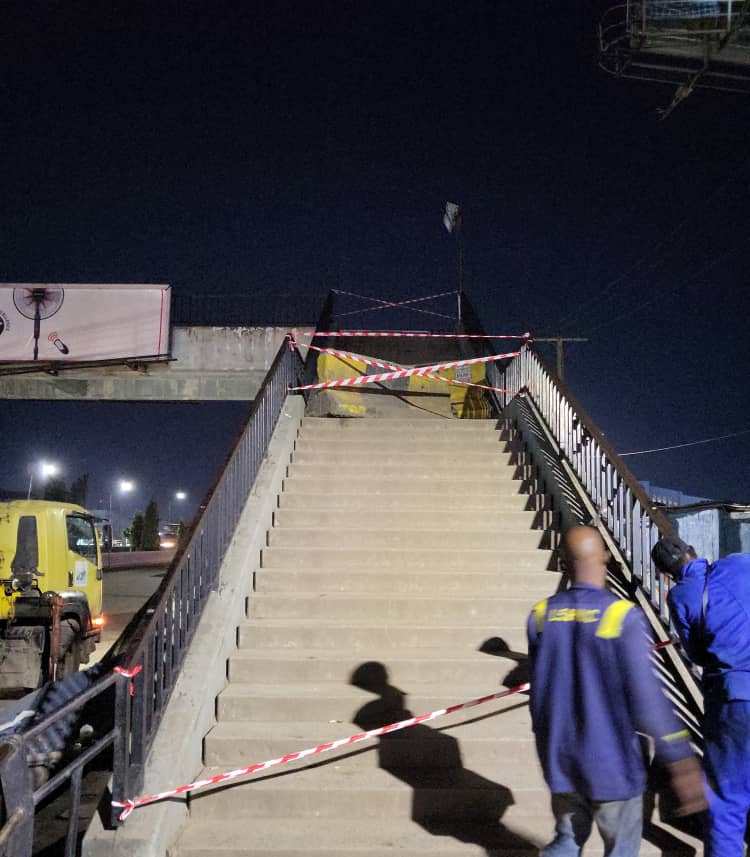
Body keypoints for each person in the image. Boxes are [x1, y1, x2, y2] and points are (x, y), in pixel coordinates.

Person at [528, 525, 706, 856]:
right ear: (603, 558)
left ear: (564, 562)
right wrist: (680, 757)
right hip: (611, 764)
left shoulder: (540, 615)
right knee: (621, 848)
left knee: (566, 841)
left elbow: (539, 694)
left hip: (560, 759)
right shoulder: (621, 615)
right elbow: (647, 697)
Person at [653, 535, 750, 857]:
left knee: (727, 796)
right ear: (694, 551)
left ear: (665, 573)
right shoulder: (739, 563)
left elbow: (695, 653)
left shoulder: (681, 595)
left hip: (734, 699)